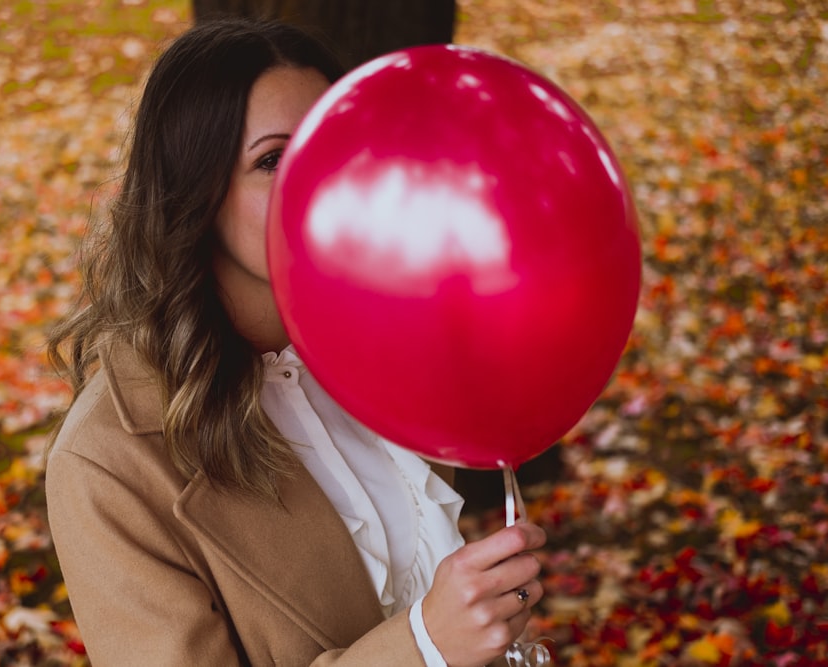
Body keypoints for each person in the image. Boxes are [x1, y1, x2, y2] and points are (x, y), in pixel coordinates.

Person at [45, 17, 545, 667]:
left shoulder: (391, 342)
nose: (318, 179)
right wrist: (423, 644)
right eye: (275, 159)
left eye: (331, 145)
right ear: (194, 193)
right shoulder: (106, 463)